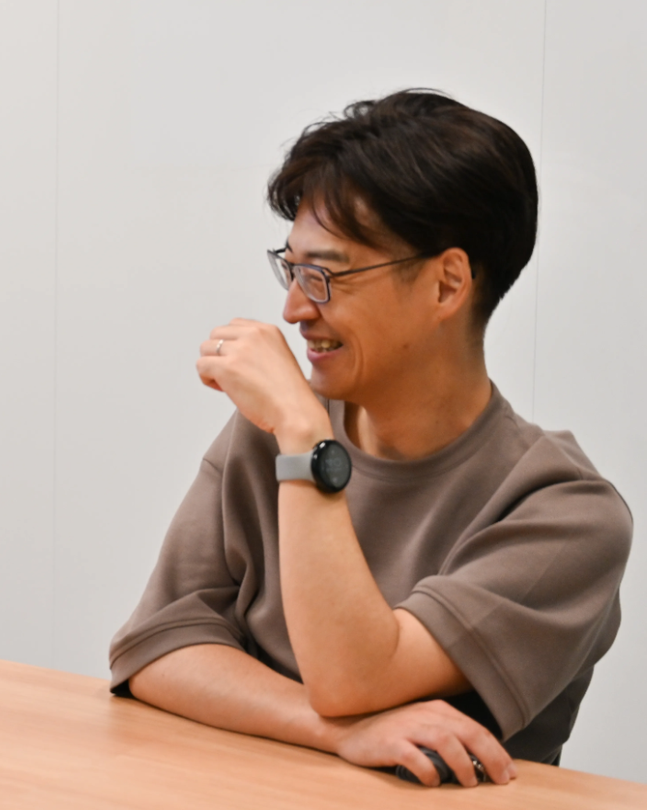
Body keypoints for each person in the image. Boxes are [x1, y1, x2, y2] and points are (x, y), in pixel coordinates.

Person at [108, 90, 631, 787]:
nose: (294, 308)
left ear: (446, 285)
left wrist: (304, 441)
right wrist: (340, 735)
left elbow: (353, 678)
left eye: (326, 275)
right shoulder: (277, 429)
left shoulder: (565, 513)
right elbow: (156, 646)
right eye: (292, 269)